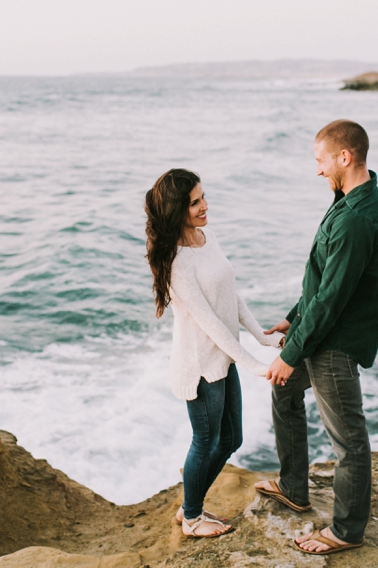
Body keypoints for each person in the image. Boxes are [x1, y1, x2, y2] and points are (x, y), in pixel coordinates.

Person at [255, 120, 378, 556]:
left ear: (344, 157)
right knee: (284, 394)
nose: (317, 170)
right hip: (323, 329)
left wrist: (293, 350)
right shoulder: (354, 199)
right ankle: (294, 486)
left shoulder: (356, 218)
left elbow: (333, 299)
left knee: (349, 441)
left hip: (334, 343)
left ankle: (346, 531)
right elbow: (325, 281)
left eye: (320, 160)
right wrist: (293, 318)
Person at [145, 168, 284, 539]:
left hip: (224, 357)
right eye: (194, 203)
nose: (204, 206)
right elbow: (208, 321)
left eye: (204, 197)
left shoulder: (207, 237)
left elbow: (230, 296)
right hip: (201, 365)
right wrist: (253, 362)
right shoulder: (177, 263)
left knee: (232, 439)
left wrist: (262, 337)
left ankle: (190, 506)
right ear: (177, 209)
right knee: (205, 441)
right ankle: (191, 518)